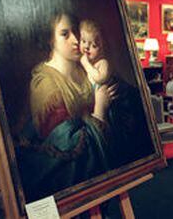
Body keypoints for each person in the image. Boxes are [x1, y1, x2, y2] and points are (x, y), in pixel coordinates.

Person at [16, 12, 117, 202]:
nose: (76, 40)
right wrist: (100, 112)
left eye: (76, 32)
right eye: (65, 34)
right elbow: (65, 144)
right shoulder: (44, 84)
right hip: (67, 180)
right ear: (50, 39)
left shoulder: (86, 71)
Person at [79, 19, 111, 88]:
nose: (87, 47)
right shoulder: (78, 64)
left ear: (101, 48)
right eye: (83, 41)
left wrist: (86, 64)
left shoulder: (103, 63)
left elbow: (100, 78)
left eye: (93, 45)